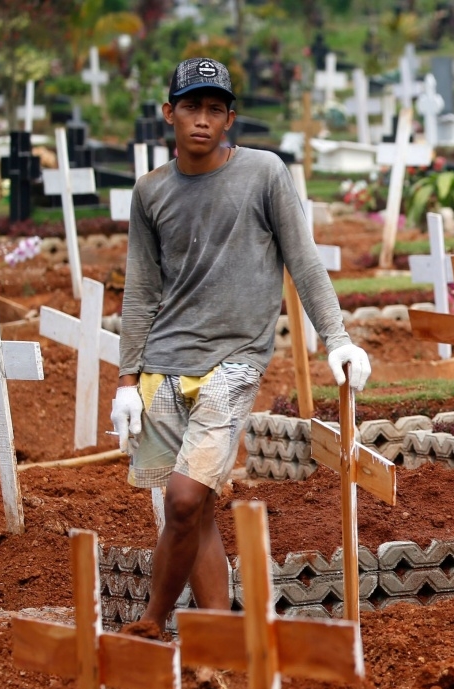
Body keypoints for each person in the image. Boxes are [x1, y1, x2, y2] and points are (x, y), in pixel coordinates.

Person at [110, 57, 369, 633]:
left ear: (229, 119)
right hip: (162, 369)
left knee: (180, 500)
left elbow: (303, 259)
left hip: (233, 365)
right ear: (168, 114)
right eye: (190, 107)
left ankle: (154, 618)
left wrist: (338, 338)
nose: (201, 120)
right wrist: (127, 379)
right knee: (196, 510)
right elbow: (142, 290)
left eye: (214, 109)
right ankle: (222, 633)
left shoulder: (264, 174)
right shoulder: (150, 192)